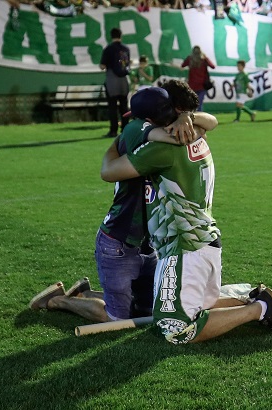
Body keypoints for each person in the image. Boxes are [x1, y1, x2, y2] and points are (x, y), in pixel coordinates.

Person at [99, 92, 272, 344]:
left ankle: (258, 309)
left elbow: (108, 172)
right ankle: (254, 300)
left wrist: (117, 144)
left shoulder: (161, 148)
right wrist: (186, 117)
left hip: (184, 247)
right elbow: (209, 121)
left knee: (174, 329)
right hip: (204, 240)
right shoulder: (197, 134)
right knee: (200, 306)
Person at [29, 84, 219, 323]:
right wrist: (183, 122)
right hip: (119, 239)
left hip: (147, 243)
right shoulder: (137, 128)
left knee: (148, 310)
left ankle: (84, 292)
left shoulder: (151, 127)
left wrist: (185, 117)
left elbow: (208, 123)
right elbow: (109, 171)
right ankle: (58, 300)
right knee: (116, 318)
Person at [100, 28, 131, 138]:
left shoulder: (108, 49)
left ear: (111, 36)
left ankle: (113, 130)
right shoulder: (126, 49)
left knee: (112, 106)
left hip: (112, 80)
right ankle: (126, 129)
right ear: (121, 35)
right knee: (124, 106)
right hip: (124, 80)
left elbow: (102, 66)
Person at [181, 46, 216, 112]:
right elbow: (213, 66)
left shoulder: (189, 59)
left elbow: (183, 65)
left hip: (192, 85)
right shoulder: (204, 59)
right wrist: (206, 58)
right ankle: (199, 119)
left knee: (193, 103)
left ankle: (193, 118)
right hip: (202, 85)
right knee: (199, 103)